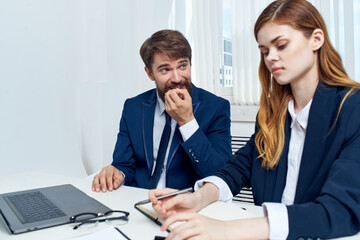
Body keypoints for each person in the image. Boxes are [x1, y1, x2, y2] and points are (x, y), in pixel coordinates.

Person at [149, 1, 360, 239]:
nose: (271, 57)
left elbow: (340, 211)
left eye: (281, 45)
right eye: (264, 51)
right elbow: (237, 169)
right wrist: (197, 199)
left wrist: (228, 230)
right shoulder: (272, 114)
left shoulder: (352, 109)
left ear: (316, 39)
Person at [92, 30, 232, 192]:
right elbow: (124, 165)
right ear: (150, 73)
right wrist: (118, 173)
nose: (177, 78)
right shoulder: (133, 107)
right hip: (138, 200)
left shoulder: (216, 107)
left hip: (186, 204)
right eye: (165, 69)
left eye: (182, 66)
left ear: (190, 64)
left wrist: (187, 122)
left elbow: (220, 176)